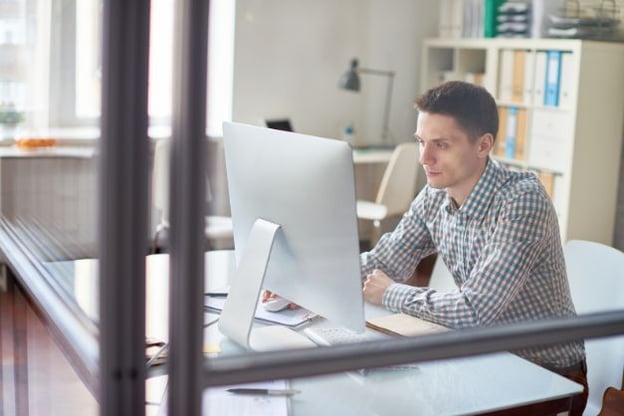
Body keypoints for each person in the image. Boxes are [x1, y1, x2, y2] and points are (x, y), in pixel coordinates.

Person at [361, 81, 588, 415]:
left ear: (483, 145)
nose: (425, 158)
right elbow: (384, 261)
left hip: (545, 374)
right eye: (422, 142)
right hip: (483, 355)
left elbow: (474, 311)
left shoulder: (522, 201)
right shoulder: (436, 193)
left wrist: (390, 293)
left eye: (441, 145)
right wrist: (301, 279)